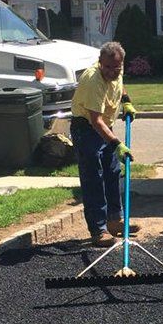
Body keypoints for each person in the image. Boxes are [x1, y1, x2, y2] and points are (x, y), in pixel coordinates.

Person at [70, 41, 139, 247]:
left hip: (104, 127)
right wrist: (117, 144)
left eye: (116, 67)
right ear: (100, 62)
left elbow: (119, 83)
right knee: (94, 178)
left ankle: (115, 221)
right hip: (86, 129)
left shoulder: (117, 68)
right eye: (107, 67)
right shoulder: (93, 80)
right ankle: (98, 230)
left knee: (112, 172)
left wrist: (126, 100)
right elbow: (95, 121)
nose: (111, 71)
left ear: (121, 63)